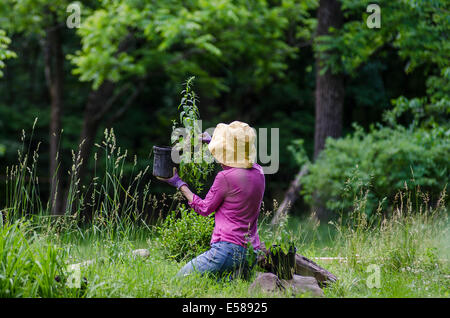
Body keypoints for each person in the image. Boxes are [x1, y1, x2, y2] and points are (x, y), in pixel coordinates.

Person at [157, 121, 265, 279]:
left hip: (227, 249)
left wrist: (179, 183)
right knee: (220, 284)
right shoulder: (259, 172)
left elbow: (204, 209)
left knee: (179, 279)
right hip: (251, 251)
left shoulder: (225, 178)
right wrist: (212, 141)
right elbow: (235, 159)